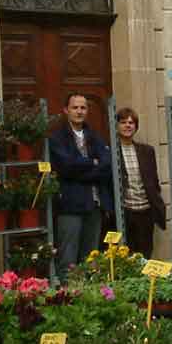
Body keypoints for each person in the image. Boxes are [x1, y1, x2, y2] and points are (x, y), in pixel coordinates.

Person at [49, 93, 113, 273]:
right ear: (66, 110)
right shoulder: (57, 138)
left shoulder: (95, 136)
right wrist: (92, 163)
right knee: (68, 258)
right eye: (75, 107)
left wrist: (81, 170)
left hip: (94, 204)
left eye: (83, 108)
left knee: (91, 258)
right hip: (70, 205)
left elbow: (106, 164)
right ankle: (68, 289)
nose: (79, 111)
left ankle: (89, 289)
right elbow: (66, 166)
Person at [115, 108, 166, 258]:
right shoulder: (111, 151)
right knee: (125, 255)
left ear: (136, 126)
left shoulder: (147, 151)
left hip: (145, 211)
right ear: (116, 126)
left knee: (145, 254)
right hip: (125, 212)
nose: (127, 125)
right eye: (123, 122)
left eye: (131, 122)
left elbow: (153, 181)